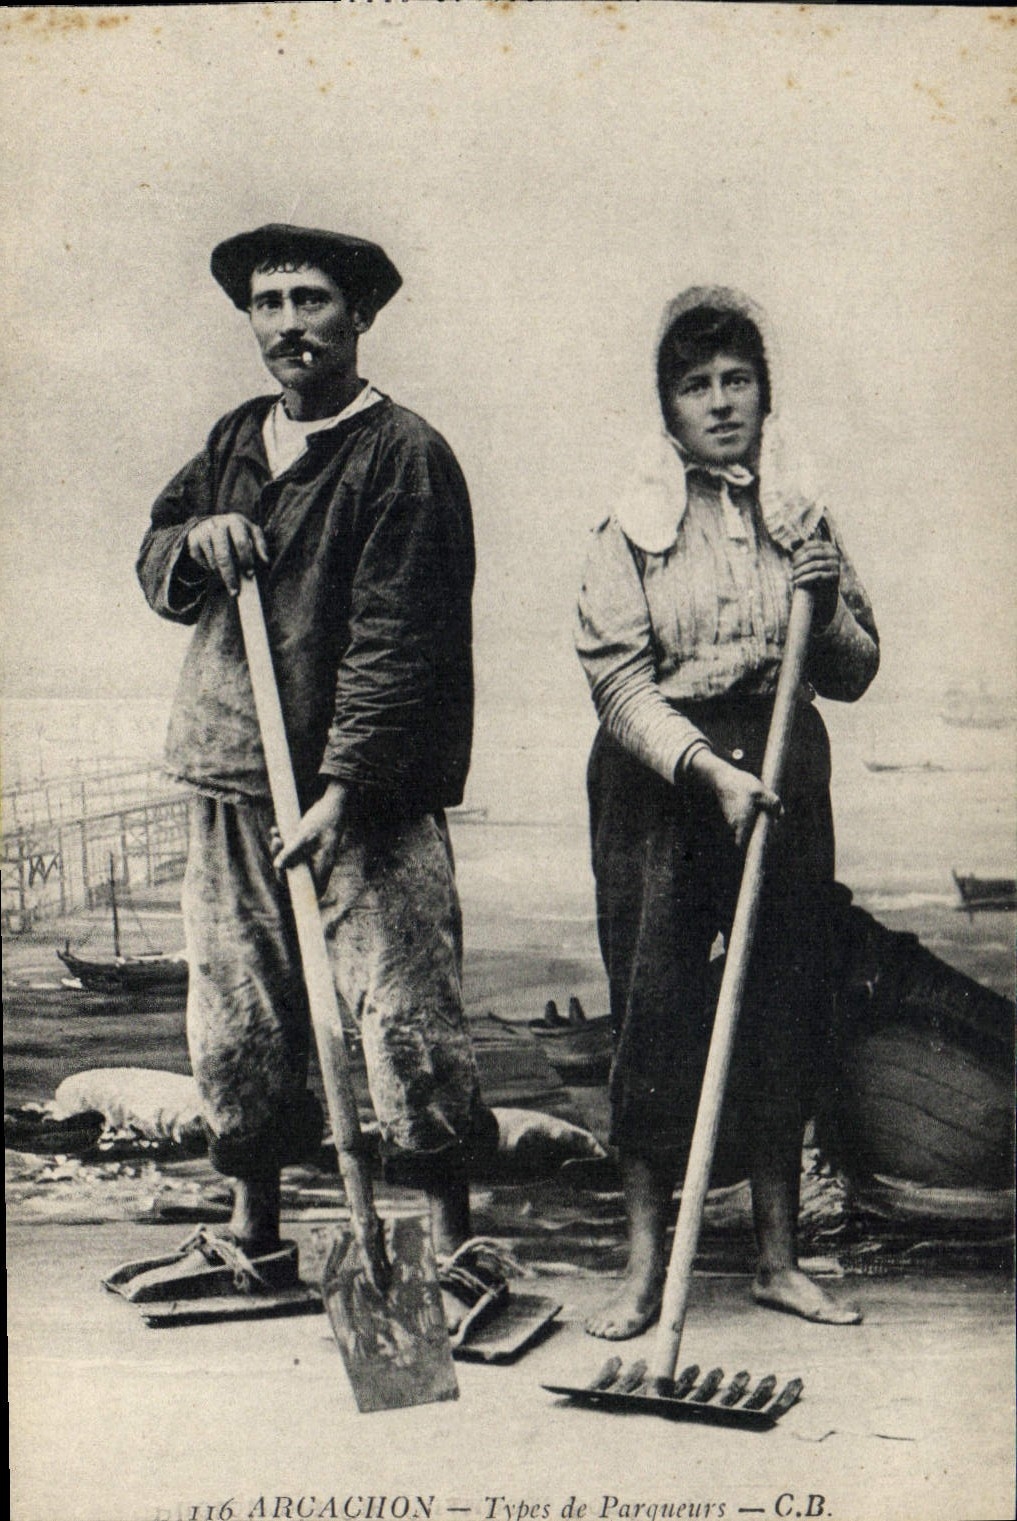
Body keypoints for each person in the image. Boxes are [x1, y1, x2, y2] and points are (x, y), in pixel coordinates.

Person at [136, 223, 496, 1277]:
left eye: (311, 301)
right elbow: (157, 552)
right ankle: (254, 1235)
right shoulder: (234, 439)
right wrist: (195, 541)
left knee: (403, 1013)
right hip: (229, 771)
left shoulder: (404, 456)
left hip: (361, 796)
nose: (288, 325)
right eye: (268, 303)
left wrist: (345, 788)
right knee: (237, 1008)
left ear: (360, 316)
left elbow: (402, 636)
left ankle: (451, 1251)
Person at [574, 286, 879, 1338]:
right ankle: (645, 1268)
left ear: (764, 392)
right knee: (655, 1009)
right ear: (668, 405)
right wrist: (709, 773)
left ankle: (777, 1262)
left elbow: (855, 670)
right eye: (697, 384)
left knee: (786, 999)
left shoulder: (802, 514)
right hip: (661, 782)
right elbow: (618, 689)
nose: (720, 401)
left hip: (786, 763)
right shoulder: (629, 526)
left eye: (737, 380)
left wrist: (827, 598)